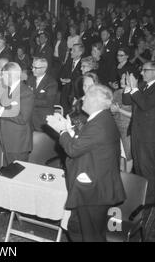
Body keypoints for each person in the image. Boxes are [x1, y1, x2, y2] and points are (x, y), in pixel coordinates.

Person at [46, 84, 126, 242]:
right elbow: (85, 143)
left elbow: (74, 150)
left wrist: (62, 130)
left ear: (96, 101)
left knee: (91, 236)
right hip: (92, 187)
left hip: (95, 191)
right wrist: (69, 129)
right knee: (77, 228)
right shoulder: (100, 119)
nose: (82, 98)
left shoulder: (99, 124)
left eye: (87, 96)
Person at [0, 62, 34, 165]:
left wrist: (0, 109)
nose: (1, 77)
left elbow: (23, 118)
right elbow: (4, 110)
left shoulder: (26, 92)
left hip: (17, 144)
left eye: (3, 74)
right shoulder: (8, 90)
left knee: (17, 176)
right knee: (5, 174)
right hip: (4, 140)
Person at [122, 62, 155, 204]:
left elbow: (145, 104)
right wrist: (129, 86)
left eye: (145, 70)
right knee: (139, 166)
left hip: (149, 136)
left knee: (147, 168)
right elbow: (126, 100)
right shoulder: (142, 85)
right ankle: (142, 196)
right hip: (136, 132)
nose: (142, 73)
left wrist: (134, 88)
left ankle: (149, 202)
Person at [27, 57, 58, 131]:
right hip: (29, 117)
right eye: (32, 67)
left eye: (35, 68)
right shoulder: (30, 79)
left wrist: (29, 101)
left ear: (44, 69)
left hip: (42, 119)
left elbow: (48, 102)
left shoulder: (51, 82)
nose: (32, 69)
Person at [111, 73, 133, 172]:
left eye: (124, 79)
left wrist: (119, 110)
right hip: (115, 126)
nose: (121, 81)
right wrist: (111, 109)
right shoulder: (117, 92)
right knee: (118, 153)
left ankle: (127, 178)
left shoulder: (135, 94)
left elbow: (135, 116)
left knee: (128, 155)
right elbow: (111, 109)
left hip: (127, 128)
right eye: (121, 78)